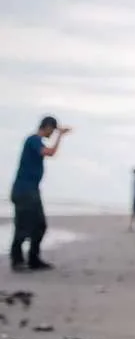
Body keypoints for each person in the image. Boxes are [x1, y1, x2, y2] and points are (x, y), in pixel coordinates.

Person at [9, 116, 70, 271]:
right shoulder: (34, 140)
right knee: (23, 226)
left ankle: (33, 259)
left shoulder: (35, 141)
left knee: (39, 225)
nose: (52, 133)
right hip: (24, 190)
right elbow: (49, 152)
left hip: (30, 190)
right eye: (53, 130)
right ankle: (17, 260)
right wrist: (60, 136)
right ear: (47, 127)